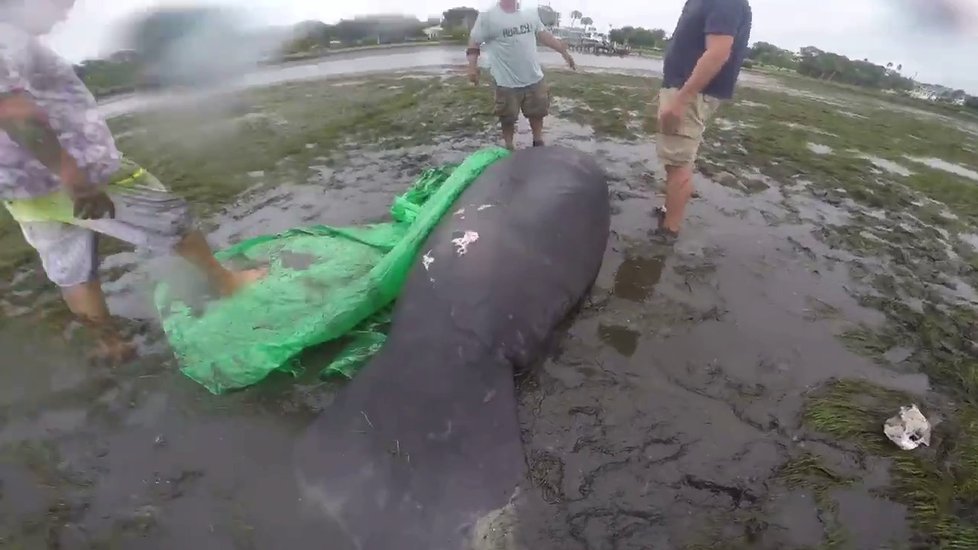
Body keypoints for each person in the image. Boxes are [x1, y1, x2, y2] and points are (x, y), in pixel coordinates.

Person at [0, 0, 264, 363]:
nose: (65, 13)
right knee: (173, 221)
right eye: (61, 4)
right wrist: (75, 178)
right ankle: (228, 283)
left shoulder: (18, 40)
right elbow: (15, 113)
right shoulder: (7, 36)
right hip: (79, 172)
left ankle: (111, 344)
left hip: (23, 190)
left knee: (71, 269)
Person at [654, 0, 752, 242]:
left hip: (689, 93)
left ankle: (670, 231)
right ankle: (669, 210)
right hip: (682, 89)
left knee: (678, 162)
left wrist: (681, 99)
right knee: (675, 158)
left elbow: (718, 52)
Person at [466, 0, 576, 151]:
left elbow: (544, 35)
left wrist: (564, 52)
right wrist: (472, 67)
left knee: (537, 113)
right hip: (505, 82)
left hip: (534, 78)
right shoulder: (487, 17)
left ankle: (538, 142)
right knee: (507, 118)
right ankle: (509, 146)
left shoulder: (530, 12)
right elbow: (474, 42)